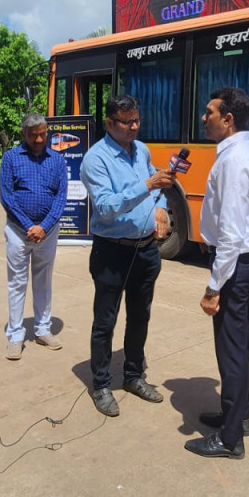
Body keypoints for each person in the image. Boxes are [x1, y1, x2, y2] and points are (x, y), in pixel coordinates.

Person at [80, 94, 173, 417]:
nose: (134, 126)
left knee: (140, 316)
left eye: (137, 120)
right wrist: (147, 185)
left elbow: (159, 189)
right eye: (127, 121)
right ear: (109, 123)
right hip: (111, 251)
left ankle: (133, 375)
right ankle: (102, 384)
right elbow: (105, 207)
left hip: (146, 249)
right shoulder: (96, 159)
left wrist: (160, 208)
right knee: (105, 321)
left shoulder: (142, 150)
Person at [186, 88, 249, 460]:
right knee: (244, 342)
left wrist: (213, 285)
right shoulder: (243, 152)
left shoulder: (234, 160)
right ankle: (238, 416)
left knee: (233, 349)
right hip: (245, 259)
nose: (205, 118)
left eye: (210, 112)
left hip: (234, 262)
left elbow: (231, 232)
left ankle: (230, 439)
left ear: (228, 119)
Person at [0, 113, 68, 360]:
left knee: (43, 280)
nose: (39, 139)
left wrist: (44, 226)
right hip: (19, 231)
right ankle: (16, 335)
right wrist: (30, 225)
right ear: (23, 135)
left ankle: (42, 329)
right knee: (17, 283)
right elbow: (7, 196)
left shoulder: (58, 160)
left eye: (42, 134)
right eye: (33, 135)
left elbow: (60, 198)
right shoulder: (11, 158)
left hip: (47, 233)